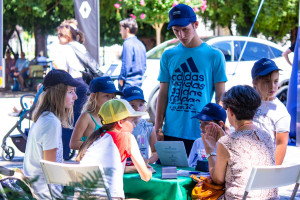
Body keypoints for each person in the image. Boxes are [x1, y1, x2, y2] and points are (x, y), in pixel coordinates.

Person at [155, 4, 227, 156]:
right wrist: (158, 127)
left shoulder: (214, 55)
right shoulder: (168, 55)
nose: (181, 35)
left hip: (200, 131)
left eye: (185, 29)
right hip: (171, 131)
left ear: (195, 25)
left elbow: (221, 96)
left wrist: (220, 126)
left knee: (199, 178)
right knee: (168, 177)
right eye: (176, 31)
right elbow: (163, 93)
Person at [201, 85, 278, 200]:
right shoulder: (266, 136)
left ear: (230, 111)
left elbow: (218, 179)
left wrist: (210, 150)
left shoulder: (227, 142)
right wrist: (223, 139)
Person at [76, 99, 152, 199]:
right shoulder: (126, 137)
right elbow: (145, 176)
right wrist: (149, 171)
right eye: (132, 121)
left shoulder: (95, 139)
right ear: (120, 122)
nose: (135, 124)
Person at [23, 69, 81, 199]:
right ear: (58, 94)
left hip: (40, 189)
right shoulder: (51, 122)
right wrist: (82, 171)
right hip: (46, 194)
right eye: (71, 92)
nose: (75, 97)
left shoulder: (45, 117)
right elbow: (51, 170)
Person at [52, 19, 90, 159]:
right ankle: (82, 153)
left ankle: (64, 155)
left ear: (67, 36)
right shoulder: (80, 47)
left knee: (66, 121)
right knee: (80, 121)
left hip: (72, 85)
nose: (58, 38)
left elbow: (62, 72)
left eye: (59, 35)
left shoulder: (66, 48)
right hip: (84, 85)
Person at [251, 58, 290, 165]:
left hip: (265, 165)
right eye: (267, 82)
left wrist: (273, 172)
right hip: (246, 159)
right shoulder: (247, 101)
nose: (272, 86)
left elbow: (281, 144)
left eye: (276, 81)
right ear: (255, 82)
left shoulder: (280, 111)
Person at [70, 76, 123, 150]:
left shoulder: (113, 117)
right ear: (93, 96)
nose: (110, 101)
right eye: (106, 96)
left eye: (113, 97)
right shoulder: (87, 117)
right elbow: (73, 144)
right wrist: (98, 146)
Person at [123, 86, 158, 164]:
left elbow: (155, 152)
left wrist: (148, 161)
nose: (137, 108)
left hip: (141, 169)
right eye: (132, 105)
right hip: (124, 169)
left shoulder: (148, 127)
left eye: (141, 105)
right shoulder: (119, 126)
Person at [188, 103, 227, 167]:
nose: (201, 127)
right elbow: (189, 166)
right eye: (200, 122)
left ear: (220, 124)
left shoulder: (228, 145)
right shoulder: (198, 142)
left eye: (206, 123)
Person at [118, 18, 147, 92]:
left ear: (127, 30)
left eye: (121, 29)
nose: (120, 32)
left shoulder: (127, 43)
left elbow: (126, 64)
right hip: (139, 83)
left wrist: (121, 78)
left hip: (129, 83)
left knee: (126, 103)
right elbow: (144, 66)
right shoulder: (140, 44)